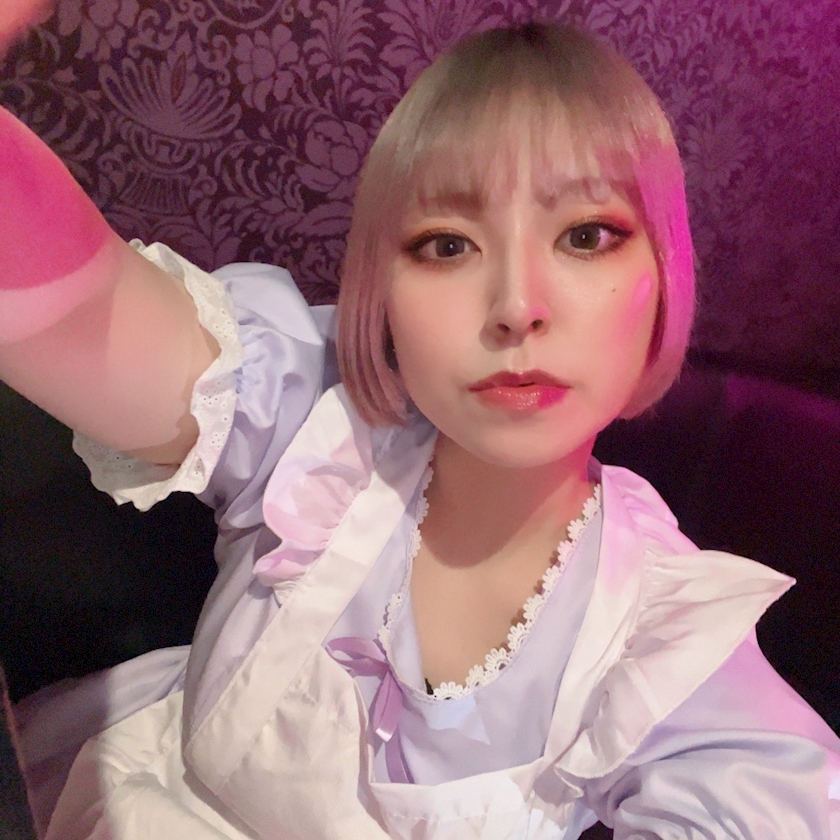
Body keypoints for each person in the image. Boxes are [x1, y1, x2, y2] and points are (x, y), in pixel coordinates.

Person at [1, 20, 839, 840]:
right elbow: (81, 313)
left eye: (587, 236)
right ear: (383, 291)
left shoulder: (665, 644)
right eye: (446, 245)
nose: (517, 306)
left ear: (664, 273)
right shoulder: (306, 428)